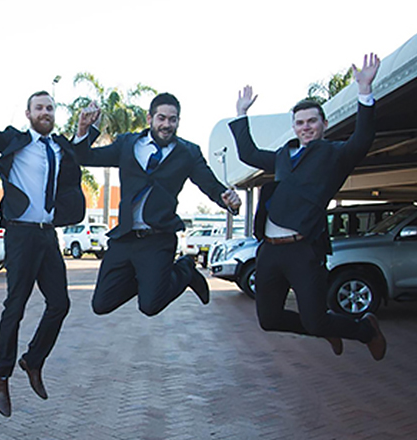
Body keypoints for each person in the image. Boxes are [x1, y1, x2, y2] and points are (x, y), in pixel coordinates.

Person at [0, 59, 97, 418]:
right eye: (39, 108)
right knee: (15, 307)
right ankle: (0, 375)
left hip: (48, 235)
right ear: (28, 114)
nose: (45, 113)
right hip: (20, 234)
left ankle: (33, 360)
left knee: (60, 304)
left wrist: (84, 129)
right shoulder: (15, 141)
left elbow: (80, 155)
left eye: (50, 108)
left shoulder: (60, 148)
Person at [231, 53, 387, 361]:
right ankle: (325, 328)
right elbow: (248, 153)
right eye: (300, 123)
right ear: (294, 127)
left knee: (315, 319)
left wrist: (365, 91)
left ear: (324, 124)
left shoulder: (334, 154)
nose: (306, 127)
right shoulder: (282, 156)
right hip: (270, 250)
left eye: (312, 121)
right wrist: (241, 113)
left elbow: (362, 139)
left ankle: (365, 330)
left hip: (303, 249)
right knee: (269, 320)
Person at [73, 93, 241, 318]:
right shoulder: (127, 144)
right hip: (125, 238)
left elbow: (210, 184)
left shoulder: (188, 153)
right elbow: (86, 157)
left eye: (173, 119)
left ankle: (185, 270)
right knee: (101, 304)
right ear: (150, 118)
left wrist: (226, 199)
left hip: (158, 238)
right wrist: (83, 129)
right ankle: (149, 281)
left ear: (178, 121)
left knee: (150, 306)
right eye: (161, 118)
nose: (167, 125)